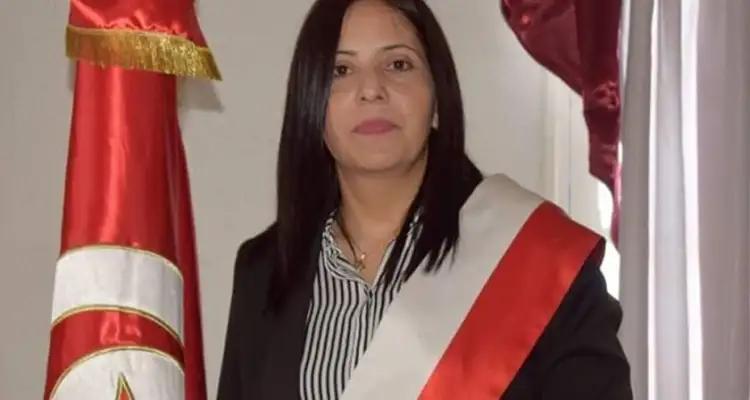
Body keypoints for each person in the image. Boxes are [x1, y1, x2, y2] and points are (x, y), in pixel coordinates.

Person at [217, 0, 632, 398]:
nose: (371, 89)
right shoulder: (263, 272)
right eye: (340, 70)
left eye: (398, 64)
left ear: (437, 93)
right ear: (310, 102)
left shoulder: (538, 260)